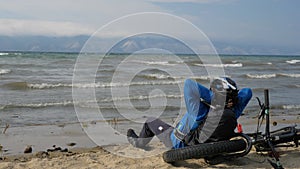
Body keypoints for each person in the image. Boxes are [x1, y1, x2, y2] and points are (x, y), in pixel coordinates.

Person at [127, 77, 252, 149]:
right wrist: (230, 99)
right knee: (172, 127)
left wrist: (212, 98)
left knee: (151, 121)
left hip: (177, 142)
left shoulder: (200, 111)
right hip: (205, 143)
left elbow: (189, 84)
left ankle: (139, 143)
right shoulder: (233, 112)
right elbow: (247, 92)